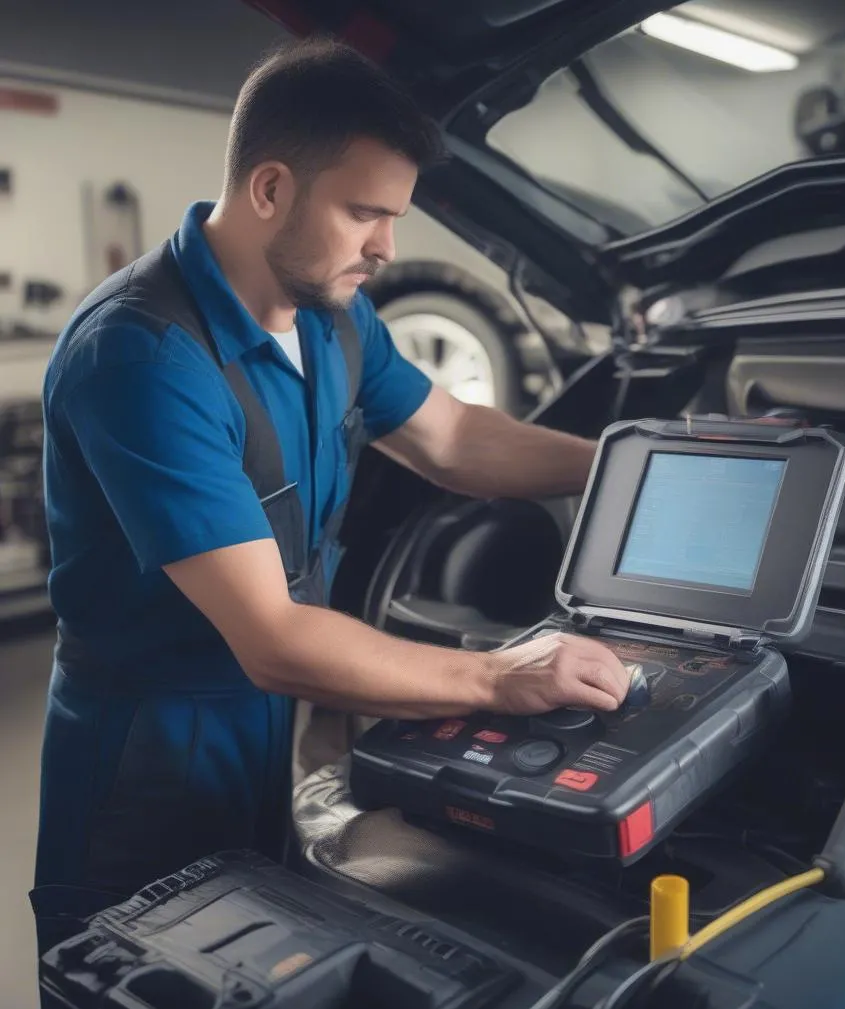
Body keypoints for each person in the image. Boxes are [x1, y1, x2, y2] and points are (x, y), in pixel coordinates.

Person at [31, 36, 630, 961]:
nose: (387, 248)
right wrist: (502, 676)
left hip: (269, 728)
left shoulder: (334, 314)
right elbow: (273, 638)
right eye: (364, 214)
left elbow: (455, 439)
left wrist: (626, 465)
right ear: (270, 188)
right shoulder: (143, 356)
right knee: (134, 984)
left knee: (264, 978)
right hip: (148, 757)